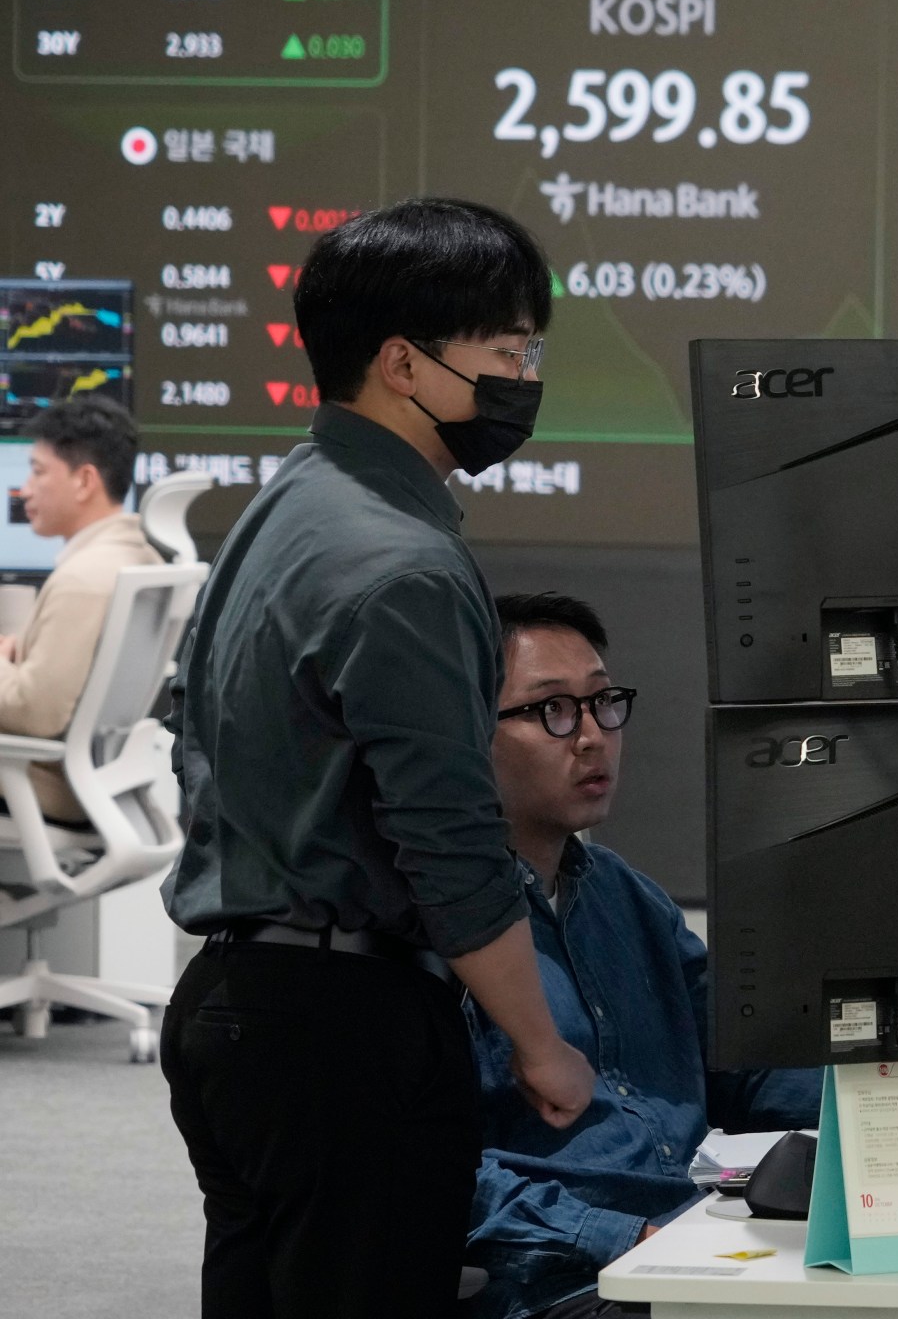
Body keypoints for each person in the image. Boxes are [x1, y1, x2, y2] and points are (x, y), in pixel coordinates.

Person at [160, 198, 596, 1319]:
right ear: (404, 363)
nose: (522, 378)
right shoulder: (403, 563)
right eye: (507, 351)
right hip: (343, 1036)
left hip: (231, 1007)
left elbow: (192, 735)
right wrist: (540, 1047)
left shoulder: (284, 512)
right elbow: (451, 847)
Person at [466, 592, 820, 1319]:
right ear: (467, 729)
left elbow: (746, 1067)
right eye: (552, 711)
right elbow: (431, 1171)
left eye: (603, 703)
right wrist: (624, 1235)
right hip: (566, 1283)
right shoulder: (442, 930)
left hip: (697, 1248)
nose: (592, 735)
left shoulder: (628, 897)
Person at [0, 395, 159, 820]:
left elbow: (35, 713)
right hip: (93, 783)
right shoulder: (137, 558)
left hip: (41, 786)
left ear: (84, 481)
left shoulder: (82, 580)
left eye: (36, 472)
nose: (24, 489)